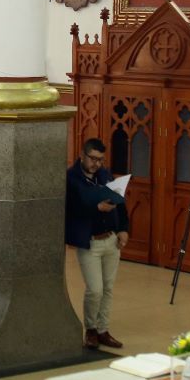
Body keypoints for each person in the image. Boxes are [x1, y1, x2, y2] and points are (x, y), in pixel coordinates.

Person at [66, 137, 128, 351]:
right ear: (82, 155)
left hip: (111, 239)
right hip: (89, 242)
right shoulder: (71, 178)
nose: (96, 164)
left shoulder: (105, 175)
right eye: (92, 159)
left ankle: (103, 329)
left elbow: (120, 204)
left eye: (100, 160)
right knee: (95, 289)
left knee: (108, 288)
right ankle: (90, 329)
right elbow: (70, 210)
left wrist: (123, 229)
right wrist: (96, 208)